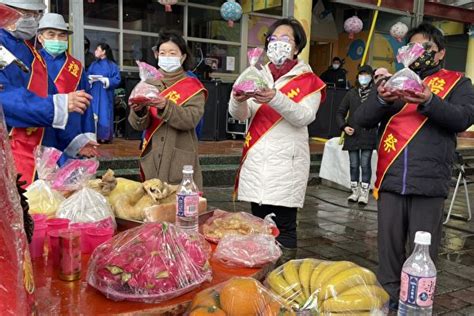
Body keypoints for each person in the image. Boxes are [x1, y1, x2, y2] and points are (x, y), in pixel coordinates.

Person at [354, 23, 474, 312]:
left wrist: (430, 101)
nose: (420, 55)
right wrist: (382, 98)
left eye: (427, 50)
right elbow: (361, 119)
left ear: (441, 53)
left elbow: (463, 117)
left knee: (423, 256)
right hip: (392, 180)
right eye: (414, 49)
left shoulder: (458, 83)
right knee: (389, 253)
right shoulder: (395, 81)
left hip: (429, 183)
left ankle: (417, 306)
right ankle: (388, 303)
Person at [229, 18, 326, 262]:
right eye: (273, 40)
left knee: (283, 228)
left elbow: (304, 116)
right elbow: (241, 114)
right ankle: (262, 279)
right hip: (257, 162)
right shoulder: (257, 74)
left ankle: (284, 279)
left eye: (286, 39)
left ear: (296, 47)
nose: (278, 44)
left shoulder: (308, 80)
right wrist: (237, 99)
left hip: (286, 166)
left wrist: (274, 97)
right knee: (258, 226)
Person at [0, 0, 91, 186]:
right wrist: (57, 105)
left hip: (40, 151)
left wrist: (76, 141)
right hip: (10, 150)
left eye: (36, 15)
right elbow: (5, 98)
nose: (32, 20)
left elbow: (51, 95)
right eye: (27, 14)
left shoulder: (32, 53)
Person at [128, 30, 207, 188]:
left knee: (181, 206)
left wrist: (165, 105)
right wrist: (139, 111)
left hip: (180, 158)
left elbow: (190, 119)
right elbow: (137, 125)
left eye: (172, 53)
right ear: (157, 55)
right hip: (153, 157)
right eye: (163, 52)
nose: (167, 57)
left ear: (183, 56)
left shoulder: (193, 86)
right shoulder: (148, 83)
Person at [37, 13, 98, 161]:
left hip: (73, 134)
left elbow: (87, 104)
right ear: (40, 38)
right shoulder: (33, 62)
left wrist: (88, 134)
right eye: (51, 34)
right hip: (41, 132)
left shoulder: (76, 67)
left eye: (62, 35)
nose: (57, 39)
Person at [336, 65, 377, 204]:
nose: (363, 77)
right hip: (352, 134)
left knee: (365, 164)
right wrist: (344, 126)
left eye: (366, 75)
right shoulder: (351, 93)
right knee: (354, 164)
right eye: (361, 74)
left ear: (371, 77)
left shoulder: (375, 93)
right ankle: (354, 191)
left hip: (368, 134)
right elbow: (340, 112)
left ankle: (364, 193)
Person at [87, 43, 121, 143]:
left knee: (105, 113)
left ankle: (104, 136)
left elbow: (117, 79)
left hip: (106, 93)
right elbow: (87, 75)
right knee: (93, 113)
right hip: (94, 91)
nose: (95, 52)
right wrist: (90, 78)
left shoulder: (112, 66)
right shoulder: (93, 64)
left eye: (97, 50)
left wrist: (107, 80)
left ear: (104, 52)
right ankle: (94, 135)